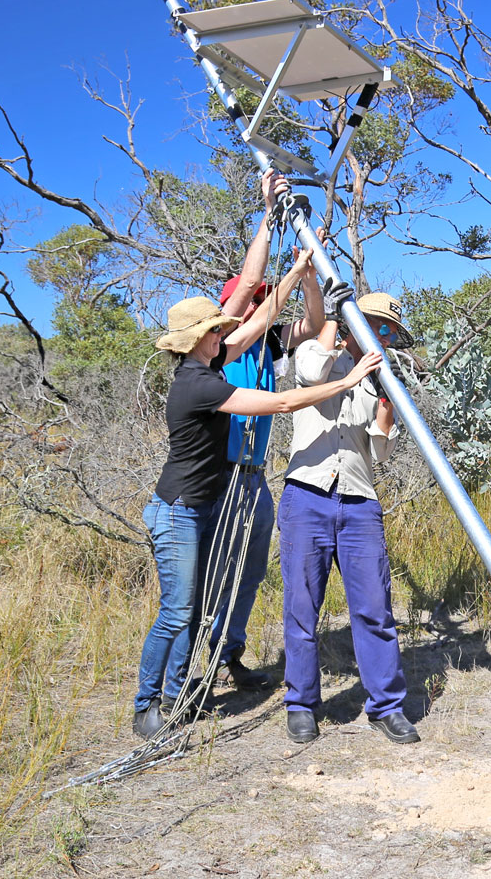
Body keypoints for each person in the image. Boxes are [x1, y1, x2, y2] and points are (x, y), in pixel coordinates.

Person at [134, 292, 382, 740]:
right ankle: (147, 704)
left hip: (198, 508)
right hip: (177, 511)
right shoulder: (200, 382)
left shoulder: (206, 365)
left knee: (193, 606)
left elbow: (255, 322)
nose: (223, 334)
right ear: (198, 339)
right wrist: (348, 383)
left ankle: (176, 696)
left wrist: (300, 271)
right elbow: (284, 404)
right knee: (176, 612)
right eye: (215, 330)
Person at [277, 291, 419, 746]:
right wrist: (335, 322)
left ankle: (387, 707)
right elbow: (310, 372)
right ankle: (301, 705)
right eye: (373, 325)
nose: (379, 336)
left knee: (375, 609)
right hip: (307, 495)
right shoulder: (319, 354)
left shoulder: (383, 379)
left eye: (385, 331)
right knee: (302, 609)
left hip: (358, 502)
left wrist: (386, 404)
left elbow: (379, 450)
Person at [204, 189, 329, 691]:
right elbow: (253, 291)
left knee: (251, 572)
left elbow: (316, 325)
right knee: (212, 575)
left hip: (254, 479)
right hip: (219, 476)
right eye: (253, 303)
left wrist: (311, 276)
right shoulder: (219, 349)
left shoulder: (267, 346)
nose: (260, 310)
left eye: (262, 304)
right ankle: (197, 667)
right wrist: (290, 262)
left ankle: (230, 654)